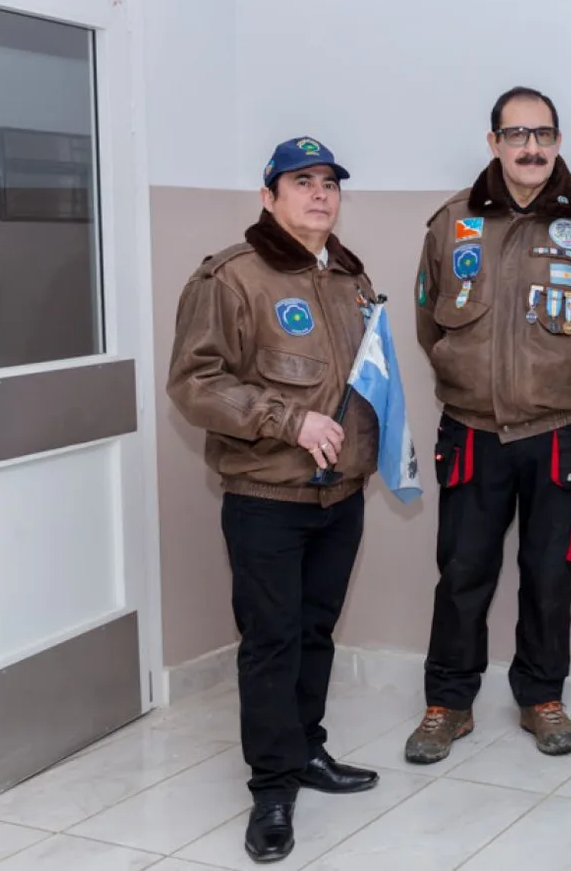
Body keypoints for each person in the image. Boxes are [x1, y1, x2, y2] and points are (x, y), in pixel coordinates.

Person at [404, 87, 571, 765]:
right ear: (494, 144)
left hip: (563, 433)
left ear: (559, 142)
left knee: (550, 573)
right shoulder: (452, 224)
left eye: (542, 135)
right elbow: (431, 327)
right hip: (473, 432)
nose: (530, 148)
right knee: (462, 572)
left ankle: (542, 698)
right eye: (516, 135)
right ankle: (447, 705)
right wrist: (472, 380)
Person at [166, 136, 382, 863]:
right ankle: (271, 789)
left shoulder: (350, 275)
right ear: (269, 196)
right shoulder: (230, 278)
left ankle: (306, 750)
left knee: (316, 632)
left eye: (329, 183)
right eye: (302, 182)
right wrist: (288, 420)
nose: (320, 195)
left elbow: (363, 379)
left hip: (340, 495)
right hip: (267, 496)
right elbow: (194, 384)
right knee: (270, 642)